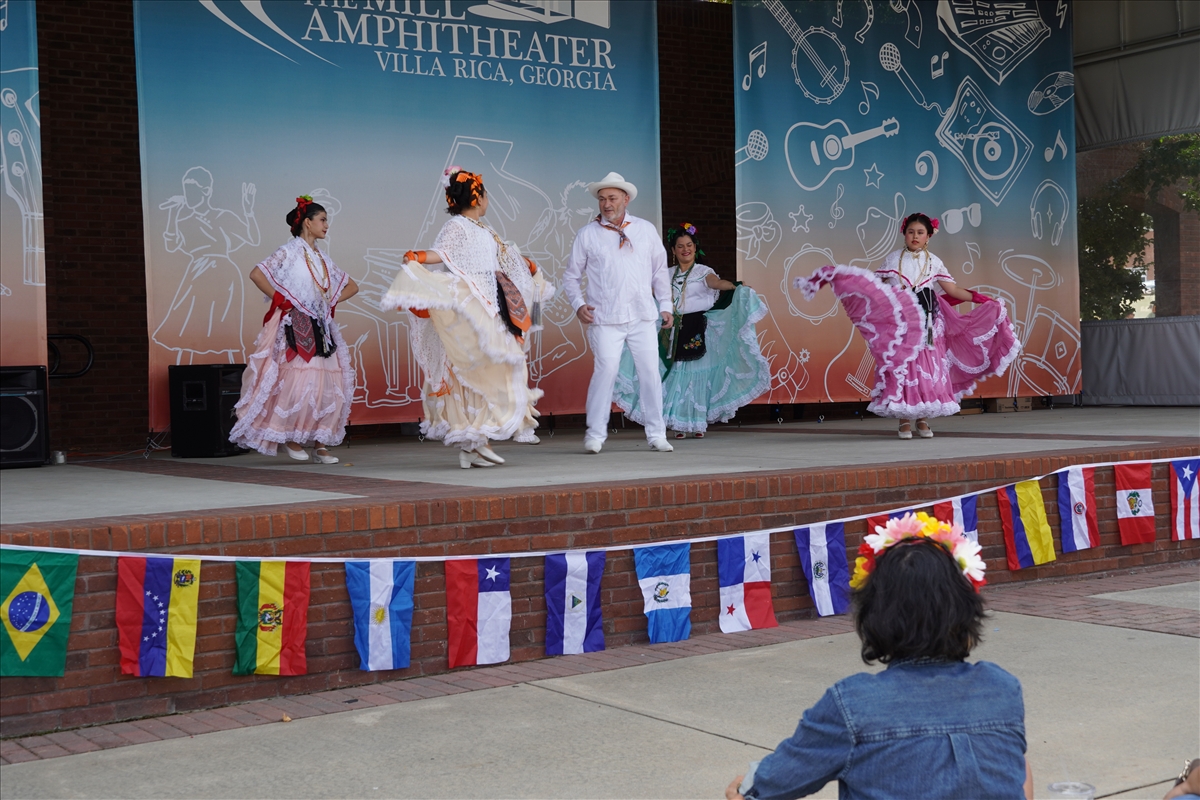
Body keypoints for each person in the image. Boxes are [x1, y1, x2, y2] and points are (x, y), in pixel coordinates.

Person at [727, 512, 1034, 800]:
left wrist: (745, 787)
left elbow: (766, 785)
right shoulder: (1002, 689)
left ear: (874, 615)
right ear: (967, 608)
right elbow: (1017, 775)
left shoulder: (852, 705)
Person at [380, 168, 552, 469]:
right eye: (486, 195)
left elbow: (503, 257)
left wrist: (528, 265)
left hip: (490, 305)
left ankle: (472, 447)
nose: (488, 200)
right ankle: (477, 441)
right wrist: (418, 257)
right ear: (478, 197)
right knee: (474, 367)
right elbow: (442, 254)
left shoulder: (483, 229)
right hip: (471, 305)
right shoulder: (457, 226)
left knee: (493, 365)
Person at [798, 213, 1019, 441]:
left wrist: (981, 299)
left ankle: (922, 418)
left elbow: (952, 290)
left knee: (927, 369)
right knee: (904, 367)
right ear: (904, 234)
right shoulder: (893, 259)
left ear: (928, 236)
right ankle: (904, 419)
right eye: (911, 232)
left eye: (920, 233)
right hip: (902, 324)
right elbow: (876, 287)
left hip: (929, 322)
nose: (915, 236)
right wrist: (853, 283)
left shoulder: (934, 262)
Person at [230, 196, 358, 462]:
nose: (326, 225)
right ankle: (290, 437)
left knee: (327, 384)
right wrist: (283, 301)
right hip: (297, 325)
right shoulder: (288, 252)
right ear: (307, 222)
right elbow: (257, 274)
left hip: (321, 327)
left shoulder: (322, 258)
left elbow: (352, 286)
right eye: (322, 219)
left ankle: (320, 443)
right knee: (298, 383)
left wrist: (328, 301)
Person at [613, 223, 771, 438]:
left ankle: (696, 424)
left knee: (695, 375)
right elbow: (649, 290)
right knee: (674, 375)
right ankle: (678, 424)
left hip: (697, 327)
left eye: (689, 245)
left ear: (695, 248)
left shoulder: (703, 272)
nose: (685, 249)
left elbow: (716, 283)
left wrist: (735, 286)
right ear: (673, 250)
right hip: (672, 328)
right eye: (680, 246)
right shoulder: (666, 274)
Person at [562, 172, 674, 454]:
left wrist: (665, 305)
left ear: (626, 199)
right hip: (605, 317)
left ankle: (657, 433)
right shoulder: (588, 234)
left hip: (642, 315)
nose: (606, 204)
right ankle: (595, 434)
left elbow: (660, 271)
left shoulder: (645, 229)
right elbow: (571, 277)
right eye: (602, 199)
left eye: (612, 198)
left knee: (650, 373)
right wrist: (578, 304)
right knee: (606, 372)